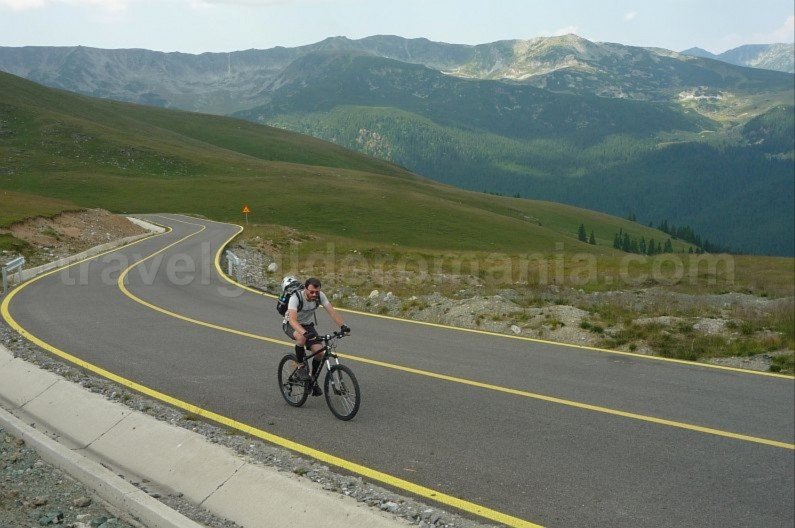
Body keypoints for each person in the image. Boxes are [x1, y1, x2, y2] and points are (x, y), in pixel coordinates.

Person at [282, 277, 350, 396]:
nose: (314, 294)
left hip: (307, 326)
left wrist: (343, 326)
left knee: (319, 352)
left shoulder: (320, 296)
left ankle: (312, 380)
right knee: (302, 338)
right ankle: (301, 366)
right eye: (311, 292)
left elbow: (332, 312)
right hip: (291, 325)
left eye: (316, 292)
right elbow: (292, 320)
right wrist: (304, 333)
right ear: (305, 289)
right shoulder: (295, 297)